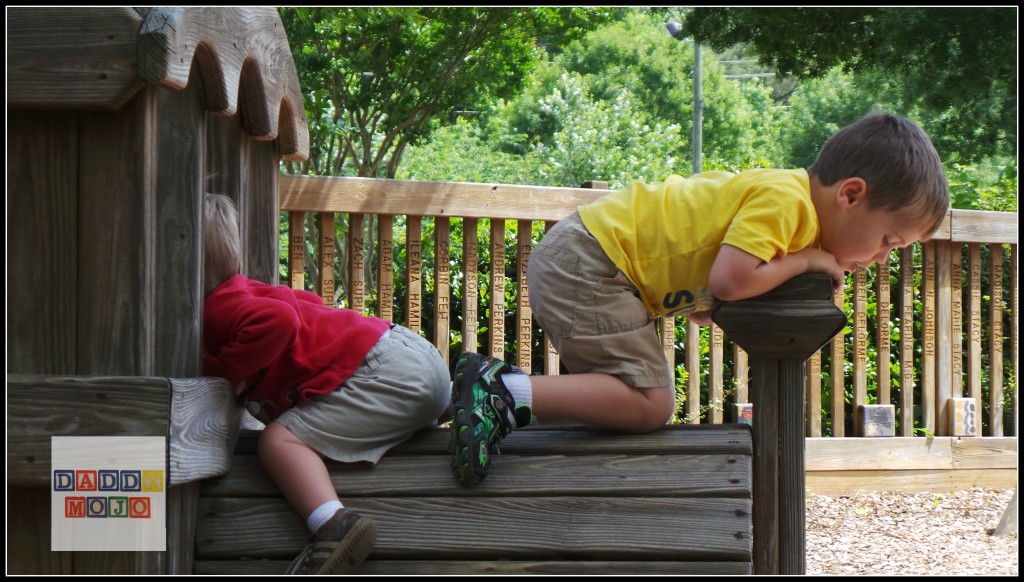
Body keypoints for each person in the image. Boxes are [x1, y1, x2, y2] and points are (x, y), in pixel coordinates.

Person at [449, 111, 950, 487]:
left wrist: (717, 298)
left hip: (591, 258)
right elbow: (732, 280)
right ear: (851, 194)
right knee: (648, 403)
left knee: (620, 400)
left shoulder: (791, 207)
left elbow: (716, 285)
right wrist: (807, 263)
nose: (883, 257)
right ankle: (502, 391)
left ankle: (486, 404)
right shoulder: (790, 203)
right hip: (593, 261)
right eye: (889, 240)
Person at [202, 193, 451, 574]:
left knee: (278, 441)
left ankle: (333, 523)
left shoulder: (217, 308)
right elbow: (305, 300)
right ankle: (469, 398)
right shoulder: (249, 289)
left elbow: (280, 320)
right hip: (409, 354)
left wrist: (225, 370)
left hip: (387, 374)